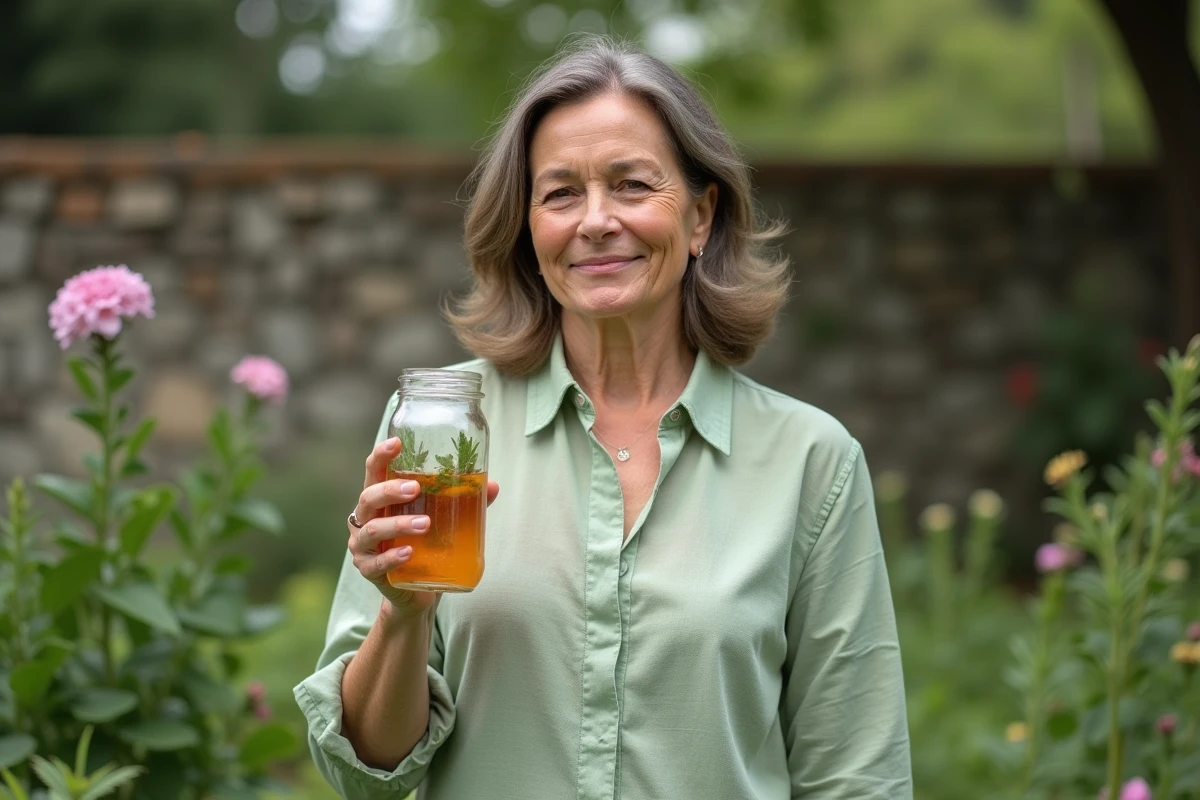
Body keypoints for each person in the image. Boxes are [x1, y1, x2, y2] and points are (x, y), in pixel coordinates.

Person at [295, 35, 912, 800]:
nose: (594, 220)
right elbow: (368, 772)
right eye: (560, 194)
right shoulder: (442, 425)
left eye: (631, 185)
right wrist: (404, 616)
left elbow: (856, 776)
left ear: (701, 217)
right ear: (528, 228)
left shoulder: (809, 460)